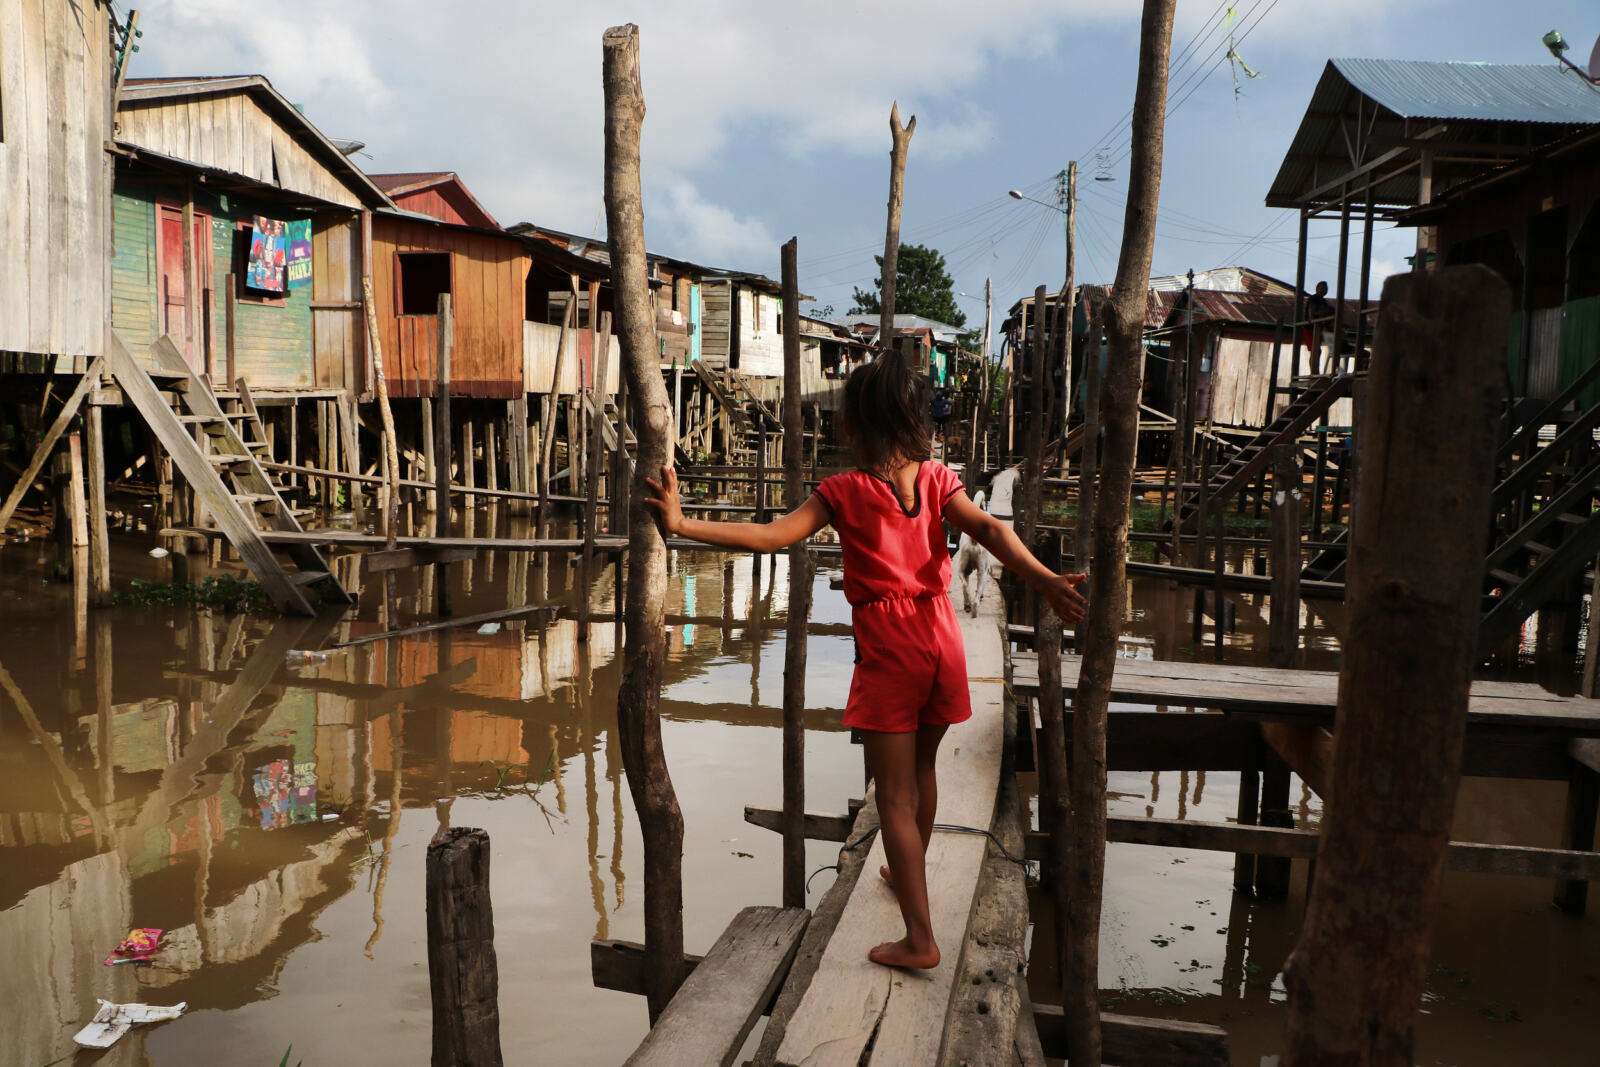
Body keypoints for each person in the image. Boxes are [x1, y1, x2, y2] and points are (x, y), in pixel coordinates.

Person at [645, 352, 1087, 970]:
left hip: (890, 647)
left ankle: (920, 939)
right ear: (912, 422)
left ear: (853, 426)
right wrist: (1044, 582)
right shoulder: (936, 478)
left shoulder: (844, 491)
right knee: (923, 772)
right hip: (942, 636)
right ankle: (906, 871)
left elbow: (772, 536)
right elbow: (989, 530)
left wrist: (682, 523)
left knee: (894, 800)